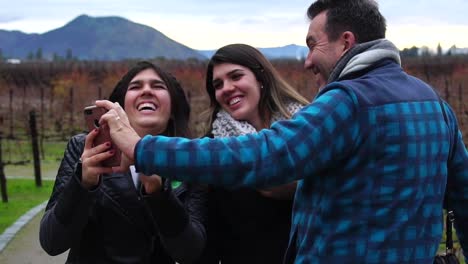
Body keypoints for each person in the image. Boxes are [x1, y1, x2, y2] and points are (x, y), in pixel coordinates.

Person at [97, 0, 468, 263]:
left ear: (346, 43)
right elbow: (464, 198)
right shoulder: (435, 104)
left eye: (312, 45)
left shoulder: (348, 102)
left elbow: (265, 156)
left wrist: (143, 147)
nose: (307, 61)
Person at [40, 61, 208, 263]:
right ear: (121, 107)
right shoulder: (85, 149)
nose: (146, 91)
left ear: (173, 109)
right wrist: (82, 184)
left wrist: (157, 192)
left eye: (158, 86)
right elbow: (52, 241)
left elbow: (190, 251)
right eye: (136, 86)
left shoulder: (191, 159)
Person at [200, 43, 309, 263]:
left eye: (236, 76)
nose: (227, 88)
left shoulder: (307, 131)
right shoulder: (214, 151)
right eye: (218, 84)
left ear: (261, 78)